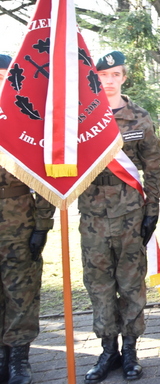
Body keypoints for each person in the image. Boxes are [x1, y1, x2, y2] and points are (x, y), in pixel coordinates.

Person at [79, 51, 160, 383]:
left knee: (130, 286)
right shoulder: (82, 118)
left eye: (115, 74)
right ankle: (107, 350)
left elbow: (153, 168)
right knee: (98, 286)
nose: (109, 80)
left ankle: (130, 350)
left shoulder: (139, 118)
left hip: (130, 213)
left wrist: (152, 211)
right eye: (103, 75)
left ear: (124, 77)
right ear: (94, 79)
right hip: (92, 217)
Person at [0, 54, 56, 384]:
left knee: (21, 291)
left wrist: (43, 225)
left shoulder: (29, 118)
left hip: (19, 219)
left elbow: (47, 177)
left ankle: (19, 357)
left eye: (6, 76)